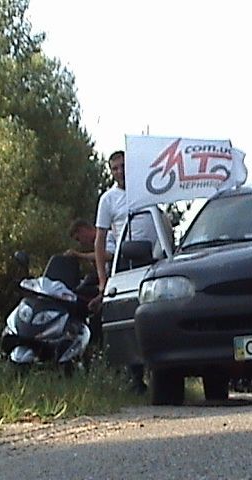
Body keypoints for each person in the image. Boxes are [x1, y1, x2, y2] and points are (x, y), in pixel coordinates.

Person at [94, 150, 157, 394]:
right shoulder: (108, 200)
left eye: (123, 167)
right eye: (115, 169)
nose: (120, 172)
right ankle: (135, 377)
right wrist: (102, 279)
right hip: (127, 261)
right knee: (129, 318)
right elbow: (99, 241)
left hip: (153, 259)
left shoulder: (148, 191)